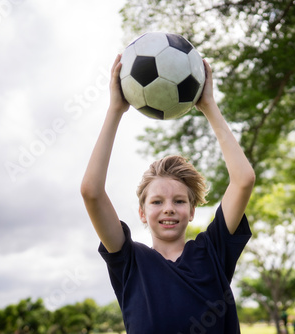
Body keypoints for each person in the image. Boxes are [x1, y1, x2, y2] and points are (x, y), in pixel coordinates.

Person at [81, 54, 256, 334]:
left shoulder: (212, 251)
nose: (169, 208)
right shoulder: (129, 261)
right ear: (141, 212)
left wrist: (209, 106)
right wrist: (116, 109)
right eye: (157, 201)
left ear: (192, 210)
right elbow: (91, 192)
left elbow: (244, 179)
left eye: (179, 200)